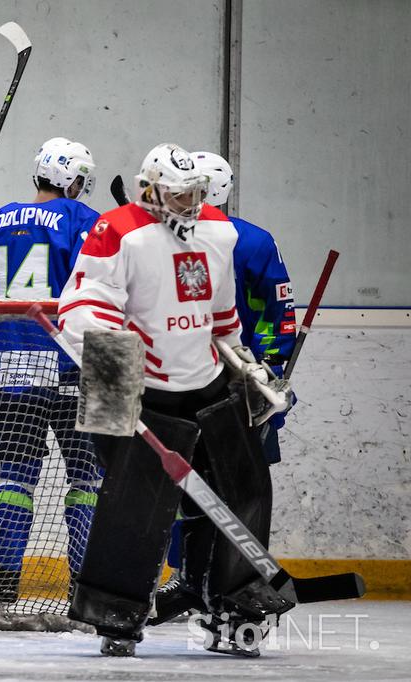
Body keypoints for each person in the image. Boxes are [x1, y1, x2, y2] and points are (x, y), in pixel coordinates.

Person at [58, 143, 290, 656]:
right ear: (150, 189)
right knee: (132, 507)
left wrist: (249, 372)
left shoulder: (219, 231)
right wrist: (120, 389)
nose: (188, 204)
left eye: (195, 194)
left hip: (206, 382)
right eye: (177, 194)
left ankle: (237, 607)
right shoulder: (115, 230)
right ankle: (116, 617)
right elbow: (83, 311)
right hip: (138, 385)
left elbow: (223, 318)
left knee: (244, 491)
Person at [152, 150, 298, 623]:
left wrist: (268, 372)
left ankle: (230, 589)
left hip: (227, 380)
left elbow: (278, 314)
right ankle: (199, 583)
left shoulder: (238, 241)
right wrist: (271, 366)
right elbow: (280, 315)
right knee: (208, 486)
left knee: (231, 487)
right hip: (208, 379)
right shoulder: (191, 239)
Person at [0, 137, 102, 607]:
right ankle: (83, 583)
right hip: (74, 362)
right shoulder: (82, 219)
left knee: (16, 476)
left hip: (8, 363)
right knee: (86, 478)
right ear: (74, 182)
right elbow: (107, 289)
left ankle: (4, 583)